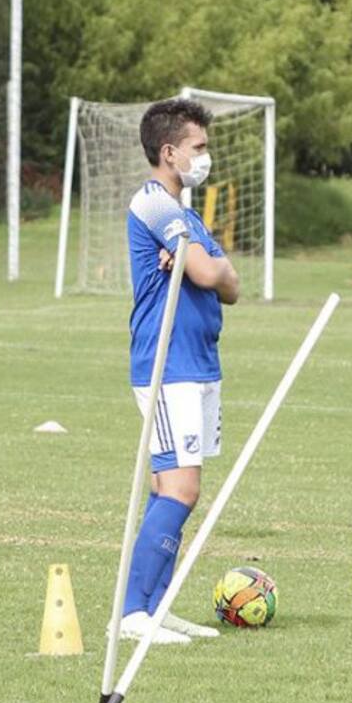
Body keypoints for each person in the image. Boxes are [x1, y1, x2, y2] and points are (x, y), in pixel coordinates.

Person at [113, 99, 239, 645]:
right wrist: (209, 269)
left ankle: (154, 608)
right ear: (169, 152)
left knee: (175, 486)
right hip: (168, 366)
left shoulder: (187, 216)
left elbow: (229, 285)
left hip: (200, 363)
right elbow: (211, 271)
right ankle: (133, 613)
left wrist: (210, 269)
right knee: (181, 489)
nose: (206, 157)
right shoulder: (155, 206)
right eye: (199, 148)